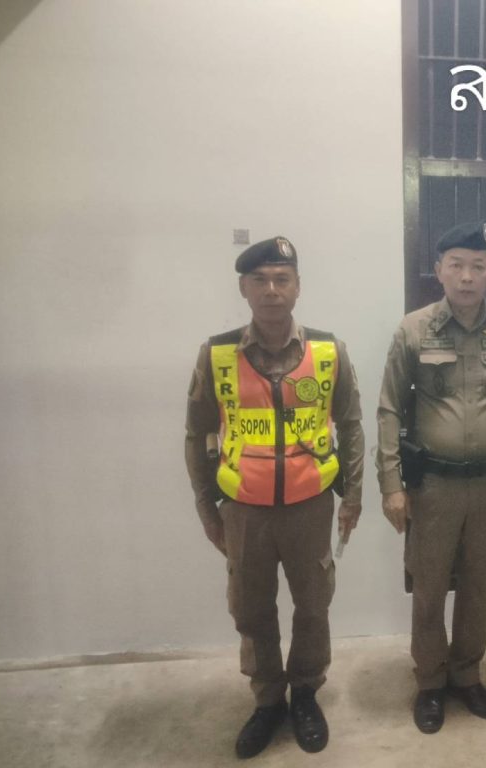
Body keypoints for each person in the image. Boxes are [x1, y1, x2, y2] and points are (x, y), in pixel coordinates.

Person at [184, 236, 364, 758]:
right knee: (252, 609)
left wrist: (353, 495)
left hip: (311, 505)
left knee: (313, 605)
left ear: (297, 288)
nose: (270, 290)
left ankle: (305, 693)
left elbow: (351, 424)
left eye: (281, 279)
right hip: (244, 510)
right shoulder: (217, 354)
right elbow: (197, 433)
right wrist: (206, 507)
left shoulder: (328, 351)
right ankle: (267, 701)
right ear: (244, 289)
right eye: (259, 280)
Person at [376, 220, 486, 734]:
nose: (467, 276)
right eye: (456, 265)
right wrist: (391, 484)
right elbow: (389, 409)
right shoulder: (413, 330)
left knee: (479, 585)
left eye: (477, 266)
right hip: (434, 486)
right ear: (439, 271)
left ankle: (467, 674)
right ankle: (430, 681)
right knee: (429, 587)